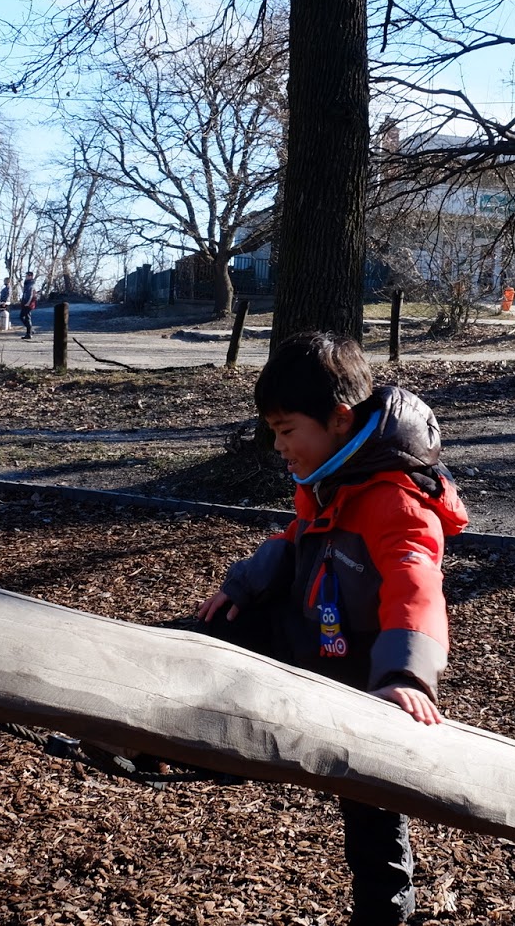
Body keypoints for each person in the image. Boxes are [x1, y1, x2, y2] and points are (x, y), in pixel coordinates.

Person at [196, 332, 468, 926]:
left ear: (340, 420)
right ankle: (161, 735)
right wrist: (242, 584)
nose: (278, 445)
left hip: (363, 674)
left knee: (371, 811)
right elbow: (299, 540)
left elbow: (417, 585)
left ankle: (386, 914)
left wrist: (405, 676)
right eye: (273, 431)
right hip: (314, 637)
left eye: (286, 430)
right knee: (216, 628)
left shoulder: (395, 501)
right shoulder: (333, 478)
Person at [18, 271, 37, 339]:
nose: (26, 277)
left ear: (30, 276)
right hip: (25, 302)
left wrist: (28, 303)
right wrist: (20, 283)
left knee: (27, 318)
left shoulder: (31, 284)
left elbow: (31, 295)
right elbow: (24, 291)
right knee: (22, 317)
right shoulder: (27, 283)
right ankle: (30, 330)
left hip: (28, 303)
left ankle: (29, 333)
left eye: (27, 276)